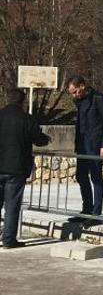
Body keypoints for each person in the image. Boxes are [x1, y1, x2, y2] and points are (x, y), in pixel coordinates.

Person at [0, 89, 50, 248]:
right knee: (12, 206)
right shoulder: (27, 119)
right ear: (22, 101)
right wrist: (46, 138)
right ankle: (8, 240)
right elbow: (39, 140)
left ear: (7, 99)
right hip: (17, 168)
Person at [66, 76, 103, 221]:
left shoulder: (99, 98)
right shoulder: (80, 101)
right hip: (83, 145)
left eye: (76, 91)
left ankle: (96, 214)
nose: (74, 95)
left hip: (95, 144)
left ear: (82, 86)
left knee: (96, 177)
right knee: (81, 176)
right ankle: (87, 210)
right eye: (72, 93)